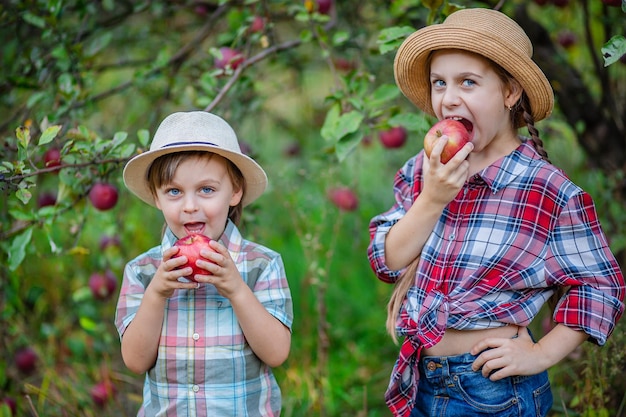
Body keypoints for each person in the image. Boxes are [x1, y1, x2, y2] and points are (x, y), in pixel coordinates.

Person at [367, 8, 625, 417]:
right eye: (439, 83)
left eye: (468, 82)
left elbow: (600, 286)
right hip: (420, 377)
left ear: (510, 93)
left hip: (492, 391)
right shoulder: (426, 169)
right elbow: (387, 260)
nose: (448, 98)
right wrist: (432, 198)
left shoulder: (544, 189)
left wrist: (540, 354)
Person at [115, 111, 293, 416]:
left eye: (206, 190)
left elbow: (276, 353)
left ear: (235, 191)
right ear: (156, 197)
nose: (190, 206)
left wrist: (237, 290)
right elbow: (135, 360)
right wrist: (156, 295)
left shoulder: (262, 265)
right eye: (173, 191)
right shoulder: (143, 272)